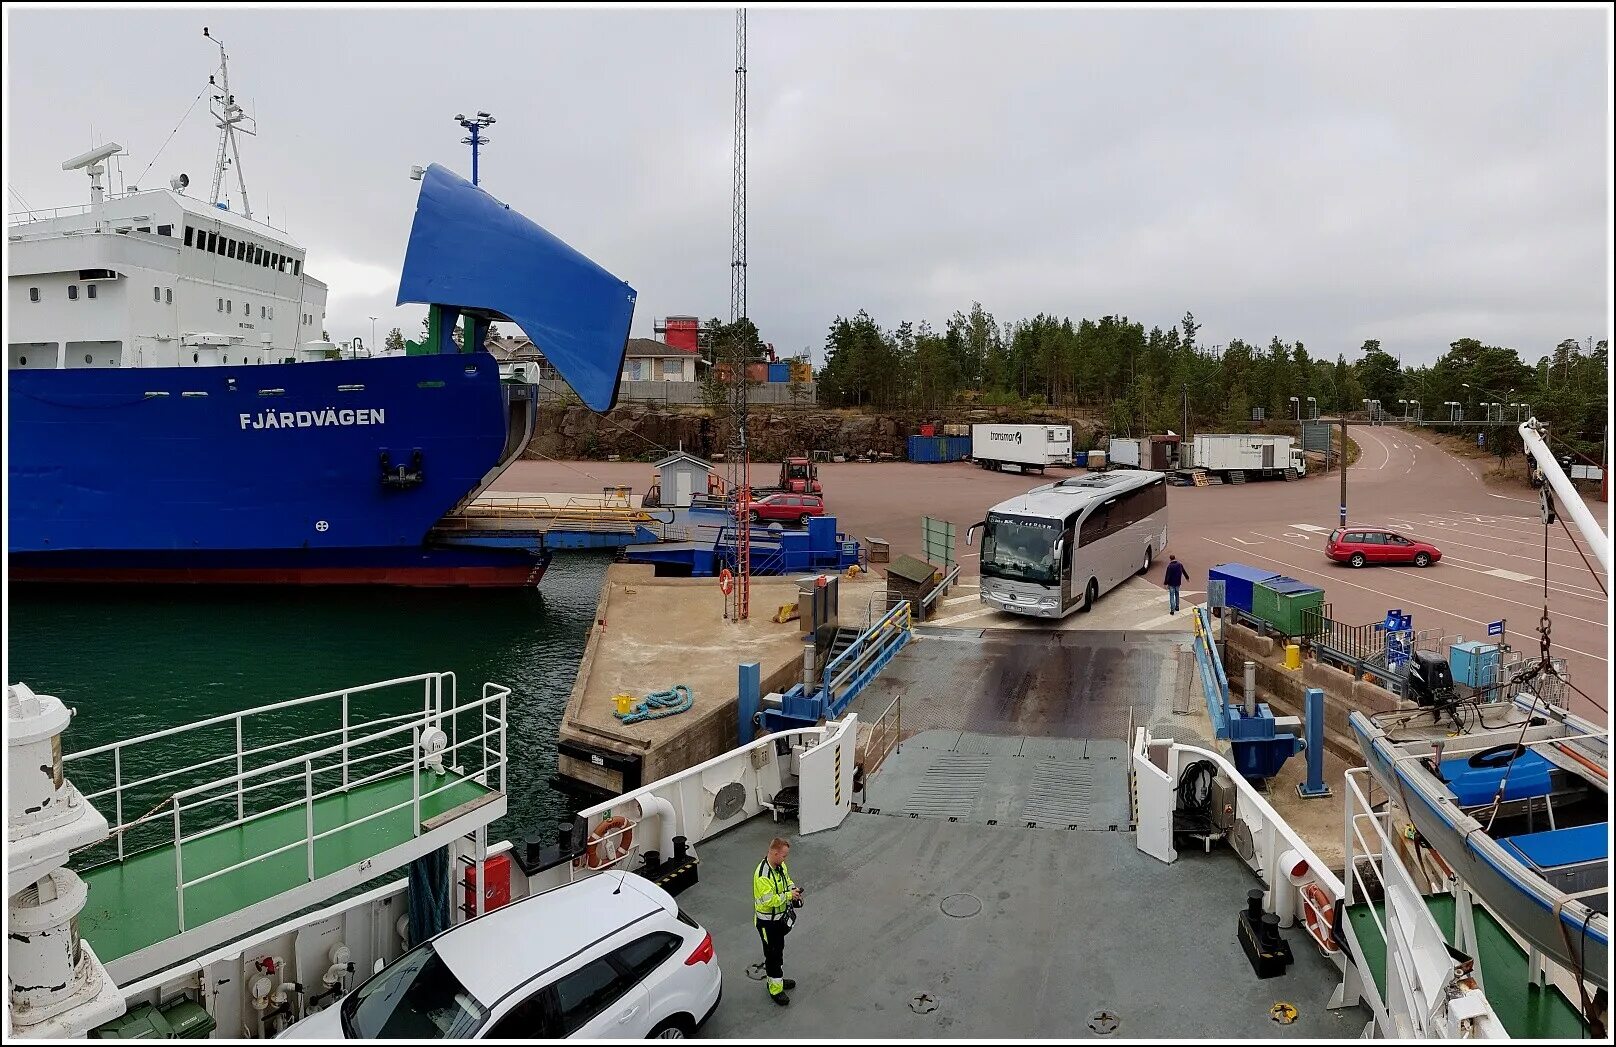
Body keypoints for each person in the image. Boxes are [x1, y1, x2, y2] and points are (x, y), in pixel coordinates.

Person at [753, 836, 801, 1006]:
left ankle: (777, 980)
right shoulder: (762, 876)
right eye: (783, 856)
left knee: (778, 950)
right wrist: (789, 896)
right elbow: (768, 901)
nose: (785, 859)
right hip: (767, 924)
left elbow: (787, 881)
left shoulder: (780, 866)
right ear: (774, 853)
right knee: (772, 955)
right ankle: (775, 990)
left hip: (778, 920)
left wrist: (793, 890)